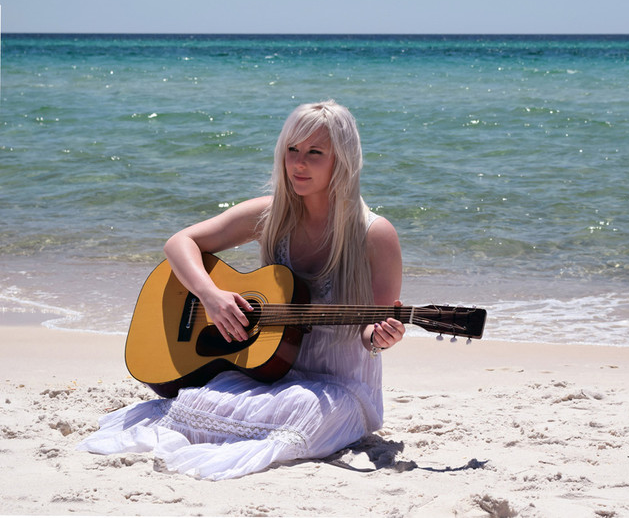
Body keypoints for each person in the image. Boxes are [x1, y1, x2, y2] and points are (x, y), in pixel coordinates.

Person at [78, 100, 405, 480]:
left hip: (341, 386)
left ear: (342, 160)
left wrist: (382, 337)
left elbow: (371, 333)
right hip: (272, 372)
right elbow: (179, 243)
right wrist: (210, 295)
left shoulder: (374, 234)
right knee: (202, 398)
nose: (298, 163)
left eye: (315, 153)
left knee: (302, 409)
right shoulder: (272, 215)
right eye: (292, 150)